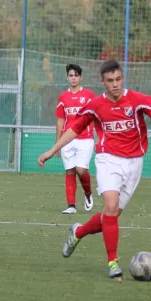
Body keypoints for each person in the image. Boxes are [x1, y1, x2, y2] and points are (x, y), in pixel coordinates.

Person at [38, 59, 151, 279]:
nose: (115, 84)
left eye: (118, 79)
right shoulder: (95, 105)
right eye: (110, 81)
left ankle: (78, 232)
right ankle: (113, 263)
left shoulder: (137, 100)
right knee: (110, 205)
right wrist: (52, 150)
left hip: (134, 164)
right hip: (108, 159)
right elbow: (73, 129)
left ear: (123, 78)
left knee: (110, 216)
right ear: (103, 82)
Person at [55, 64, 96, 214]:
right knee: (70, 171)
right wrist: (58, 143)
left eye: (76, 75)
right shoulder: (63, 97)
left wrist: (99, 138)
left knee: (81, 169)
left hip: (85, 138)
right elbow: (60, 120)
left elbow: (96, 116)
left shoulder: (89, 95)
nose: (73, 78)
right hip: (67, 139)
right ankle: (71, 205)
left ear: (81, 77)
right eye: (71, 75)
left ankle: (88, 193)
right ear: (67, 77)